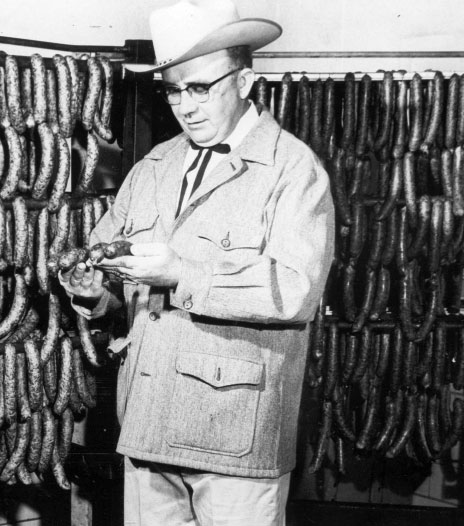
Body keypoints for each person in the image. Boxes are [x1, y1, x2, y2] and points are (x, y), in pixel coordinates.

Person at [60, 1, 336, 524]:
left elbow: (296, 291)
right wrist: (94, 291)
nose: (184, 106)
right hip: (146, 423)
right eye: (172, 89)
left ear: (246, 81)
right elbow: (113, 268)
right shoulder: (154, 166)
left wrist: (183, 272)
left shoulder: (292, 169)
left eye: (201, 88)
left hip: (234, 438)